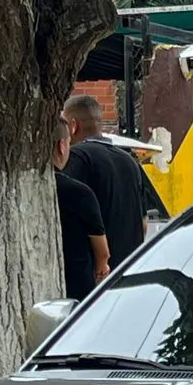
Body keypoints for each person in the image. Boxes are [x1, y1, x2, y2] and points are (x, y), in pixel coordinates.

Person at [62, 94, 160, 264]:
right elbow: (143, 223)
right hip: (127, 269)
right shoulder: (130, 161)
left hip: (93, 271)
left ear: (73, 126)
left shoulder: (77, 158)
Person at [51, 120, 109, 301]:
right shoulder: (79, 192)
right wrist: (101, 271)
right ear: (61, 146)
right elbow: (103, 251)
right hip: (77, 288)